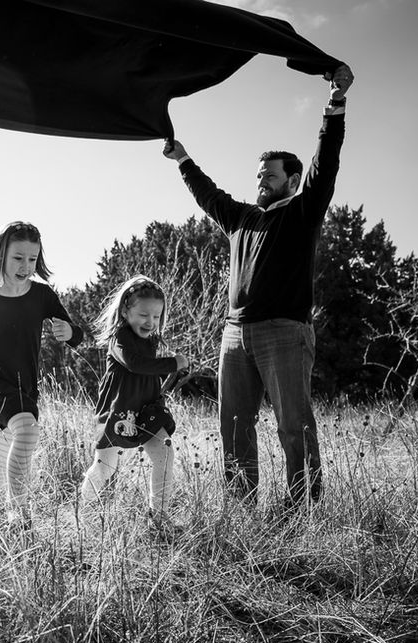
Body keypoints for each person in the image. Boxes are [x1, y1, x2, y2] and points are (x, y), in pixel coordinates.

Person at [162, 64, 354, 505]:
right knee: (233, 424)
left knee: (293, 424)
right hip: (234, 335)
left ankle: (304, 508)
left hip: (285, 331)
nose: (261, 181)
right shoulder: (241, 219)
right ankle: (242, 508)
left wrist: (335, 105)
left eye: (270, 175)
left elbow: (326, 162)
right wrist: (184, 160)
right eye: (259, 175)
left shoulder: (303, 211)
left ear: (292, 180)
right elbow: (208, 194)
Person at [0, 221, 83, 527]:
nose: (26, 266)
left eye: (32, 259)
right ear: (1, 256)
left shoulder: (42, 295)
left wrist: (69, 331)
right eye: (18, 258)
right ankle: (19, 517)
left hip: (25, 383)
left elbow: (75, 333)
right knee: (27, 431)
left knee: (1, 458)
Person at [80, 276, 189, 527]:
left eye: (156, 316)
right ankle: (83, 511)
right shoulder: (119, 337)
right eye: (143, 315)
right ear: (125, 311)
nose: (150, 322)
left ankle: (159, 517)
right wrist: (172, 363)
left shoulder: (151, 340)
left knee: (164, 454)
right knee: (105, 466)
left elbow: (149, 369)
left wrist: (174, 368)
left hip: (147, 409)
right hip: (118, 409)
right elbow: (135, 364)